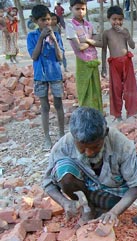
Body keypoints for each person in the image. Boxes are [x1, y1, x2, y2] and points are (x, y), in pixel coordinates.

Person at [43, 107, 137, 237]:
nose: (89, 153)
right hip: (88, 195)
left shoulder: (120, 143)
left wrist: (114, 212)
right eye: (83, 147)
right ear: (73, 137)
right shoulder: (63, 145)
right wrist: (65, 202)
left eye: (95, 146)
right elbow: (48, 184)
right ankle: (89, 210)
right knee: (63, 168)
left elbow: (136, 184)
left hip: (117, 195)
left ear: (106, 133)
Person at [28, 5, 65, 151]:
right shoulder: (32, 37)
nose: (47, 23)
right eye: (43, 20)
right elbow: (34, 55)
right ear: (36, 21)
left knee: (58, 104)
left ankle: (62, 134)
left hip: (55, 73)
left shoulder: (56, 35)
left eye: (49, 19)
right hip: (40, 76)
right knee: (44, 107)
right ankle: (47, 137)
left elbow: (60, 56)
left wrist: (54, 40)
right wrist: (41, 38)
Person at [101, 6, 137, 121]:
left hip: (127, 62)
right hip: (114, 64)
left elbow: (132, 46)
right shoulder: (107, 33)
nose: (117, 22)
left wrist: (127, 35)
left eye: (120, 19)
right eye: (114, 19)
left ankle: (131, 112)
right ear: (109, 19)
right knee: (116, 89)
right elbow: (104, 50)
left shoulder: (125, 31)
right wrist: (103, 67)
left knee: (130, 87)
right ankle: (117, 114)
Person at [66, 0, 103, 113]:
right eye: (77, 9)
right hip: (82, 61)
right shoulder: (70, 24)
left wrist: (86, 40)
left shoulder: (89, 25)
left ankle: (97, 113)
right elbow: (79, 47)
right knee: (84, 89)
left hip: (94, 60)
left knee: (96, 89)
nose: (81, 12)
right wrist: (92, 41)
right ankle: (87, 115)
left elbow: (101, 43)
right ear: (71, 9)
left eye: (83, 9)